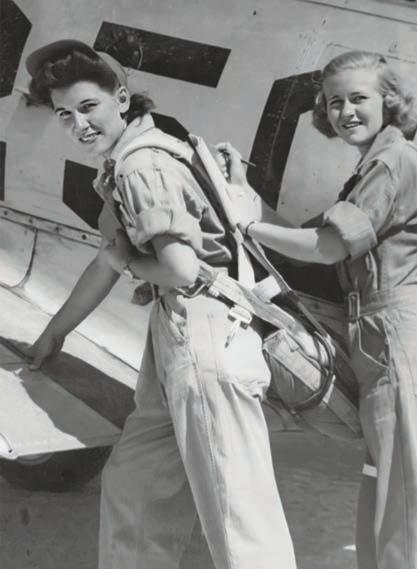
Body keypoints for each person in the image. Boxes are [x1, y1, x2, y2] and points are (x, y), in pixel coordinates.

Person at [26, 40, 297, 569]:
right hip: (179, 333)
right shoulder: (138, 155)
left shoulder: (141, 166)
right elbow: (109, 259)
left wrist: (129, 261)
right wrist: (55, 332)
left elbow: (178, 269)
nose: (79, 124)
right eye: (64, 114)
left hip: (205, 334)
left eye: (88, 106)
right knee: (135, 488)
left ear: (121, 99)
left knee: (238, 522)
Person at [221, 50, 417, 569]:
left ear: (389, 101)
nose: (345, 112)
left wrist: (246, 226)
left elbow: (328, 247)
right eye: (334, 102)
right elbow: (309, 242)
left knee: (408, 526)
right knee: (384, 517)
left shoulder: (392, 162)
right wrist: (245, 196)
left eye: (359, 98)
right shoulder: (376, 167)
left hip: (404, 347)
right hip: (388, 349)